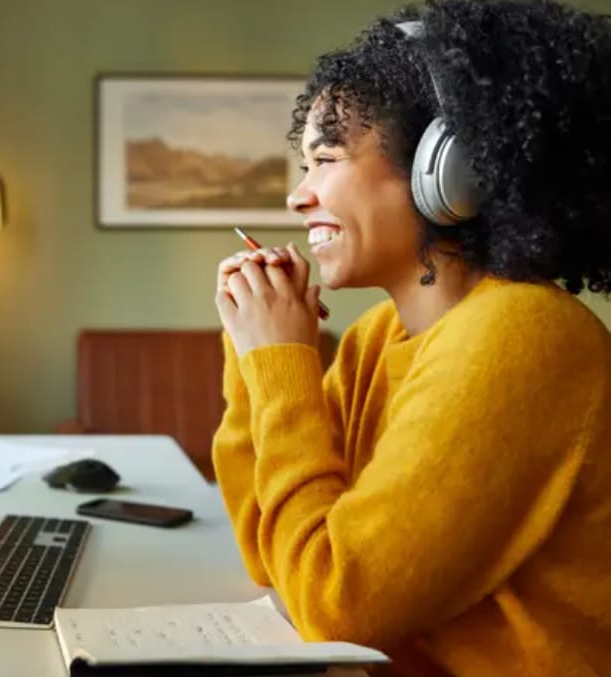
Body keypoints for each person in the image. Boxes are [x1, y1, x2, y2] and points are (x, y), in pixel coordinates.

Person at [211, 1, 611, 675]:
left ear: (449, 171)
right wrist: (256, 357)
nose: (298, 197)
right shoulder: (379, 337)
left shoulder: (523, 334)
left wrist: (281, 362)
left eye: (325, 159)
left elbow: (334, 603)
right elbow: (272, 553)